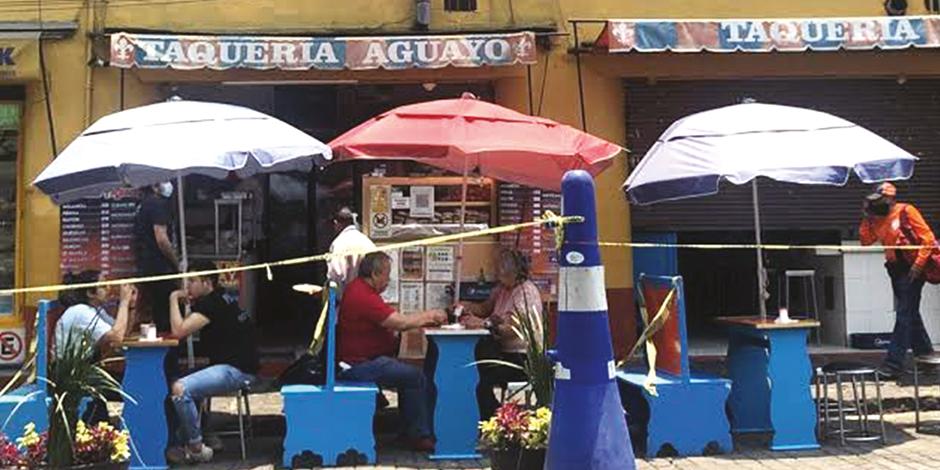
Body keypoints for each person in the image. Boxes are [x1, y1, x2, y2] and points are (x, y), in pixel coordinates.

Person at [337, 252, 446, 452]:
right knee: (415, 377)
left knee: (411, 373)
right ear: (375, 274)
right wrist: (431, 315)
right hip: (358, 364)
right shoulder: (363, 295)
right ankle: (419, 435)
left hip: (365, 358)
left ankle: (409, 430)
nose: (388, 280)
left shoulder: (362, 290)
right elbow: (401, 323)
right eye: (386, 275)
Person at [166, 260, 259, 464]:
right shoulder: (223, 297)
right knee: (183, 378)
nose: (187, 286)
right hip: (239, 365)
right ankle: (206, 434)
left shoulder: (210, 303)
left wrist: (173, 299)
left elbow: (178, 331)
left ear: (207, 283)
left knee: (180, 388)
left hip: (234, 370)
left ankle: (195, 445)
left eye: (192, 281)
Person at [859, 182, 937, 377]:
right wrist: (867, 218)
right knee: (910, 312)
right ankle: (926, 356)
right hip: (895, 269)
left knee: (903, 314)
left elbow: (928, 238)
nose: (878, 205)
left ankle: (893, 364)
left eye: (881, 201)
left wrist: (919, 264)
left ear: (891, 199)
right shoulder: (877, 218)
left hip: (912, 268)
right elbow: (866, 241)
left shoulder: (906, 211)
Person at [458, 249, 543, 419]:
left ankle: (492, 415)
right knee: (476, 367)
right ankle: (492, 413)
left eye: (500, 270)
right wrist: (465, 306)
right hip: (503, 353)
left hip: (522, 359)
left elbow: (513, 330)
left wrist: (484, 324)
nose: (496, 274)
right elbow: (484, 308)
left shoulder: (526, 293)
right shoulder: (503, 289)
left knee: (478, 375)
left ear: (512, 272)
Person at [54, 270, 136, 424]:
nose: (108, 289)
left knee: (123, 381)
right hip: (71, 374)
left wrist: (130, 306)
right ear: (90, 293)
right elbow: (117, 337)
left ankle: (98, 431)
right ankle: (91, 432)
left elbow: (123, 332)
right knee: (116, 389)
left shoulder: (96, 311)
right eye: (103, 286)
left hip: (85, 368)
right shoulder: (81, 312)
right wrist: (123, 302)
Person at [133, 181, 181, 377]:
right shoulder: (156, 204)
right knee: (166, 320)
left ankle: (157, 369)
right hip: (160, 270)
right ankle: (169, 370)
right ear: (153, 185)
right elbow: (161, 238)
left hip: (146, 268)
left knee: (152, 317)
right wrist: (177, 263)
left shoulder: (142, 205)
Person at [328, 206, 376, 296]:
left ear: (336, 223)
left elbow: (335, 276)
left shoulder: (338, 244)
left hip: (348, 300)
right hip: (369, 299)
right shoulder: (367, 242)